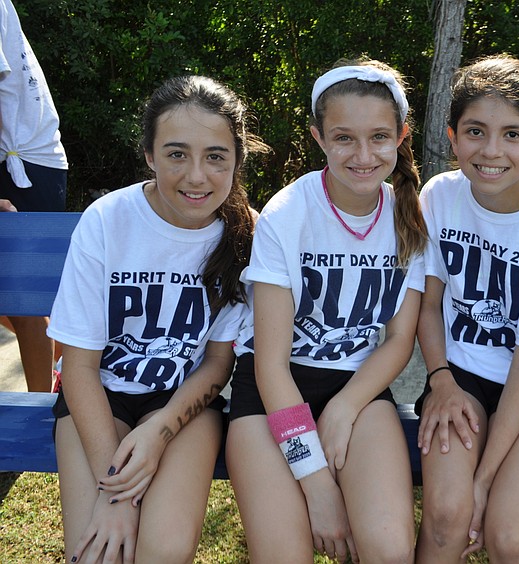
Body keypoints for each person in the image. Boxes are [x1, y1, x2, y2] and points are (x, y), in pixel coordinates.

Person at [47, 75, 268, 563]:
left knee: (162, 551)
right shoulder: (109, 220)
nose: (196, 176)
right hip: (97, 393)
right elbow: (78, 366)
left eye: (215, 156)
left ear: (237, 160)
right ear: (148, 155)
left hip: (183, 401)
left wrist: (162, 428)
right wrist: (117, 492)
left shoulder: (246, 233)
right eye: (176, 154)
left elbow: (217, 362)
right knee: (98, 553)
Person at [225, 58, 428, 563]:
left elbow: (399, 340)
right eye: (343, 138)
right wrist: (317, 482)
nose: (363, 154)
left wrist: (342, 408)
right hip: (272, 393)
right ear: (318, 137)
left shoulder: (410, 217)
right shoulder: (288, 214)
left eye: (380, 136)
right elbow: (270, 366)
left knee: (387, 549)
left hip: (358, 389)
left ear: (402, 135)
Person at [414, 54, 519, 562]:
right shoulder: (440, 196)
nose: (491, 151)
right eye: (475, 131)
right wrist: (441, 379)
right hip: (458, 375)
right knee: (446, 515)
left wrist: (483, 482)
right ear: (452, 136)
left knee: (509, 535)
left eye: (512, 135)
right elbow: (429, 305)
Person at [0, 0, 69, 392]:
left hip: (24, 161)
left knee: (25, 304)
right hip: (23, 157)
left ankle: (44, 412)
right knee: (24, 306)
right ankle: (63, 363)